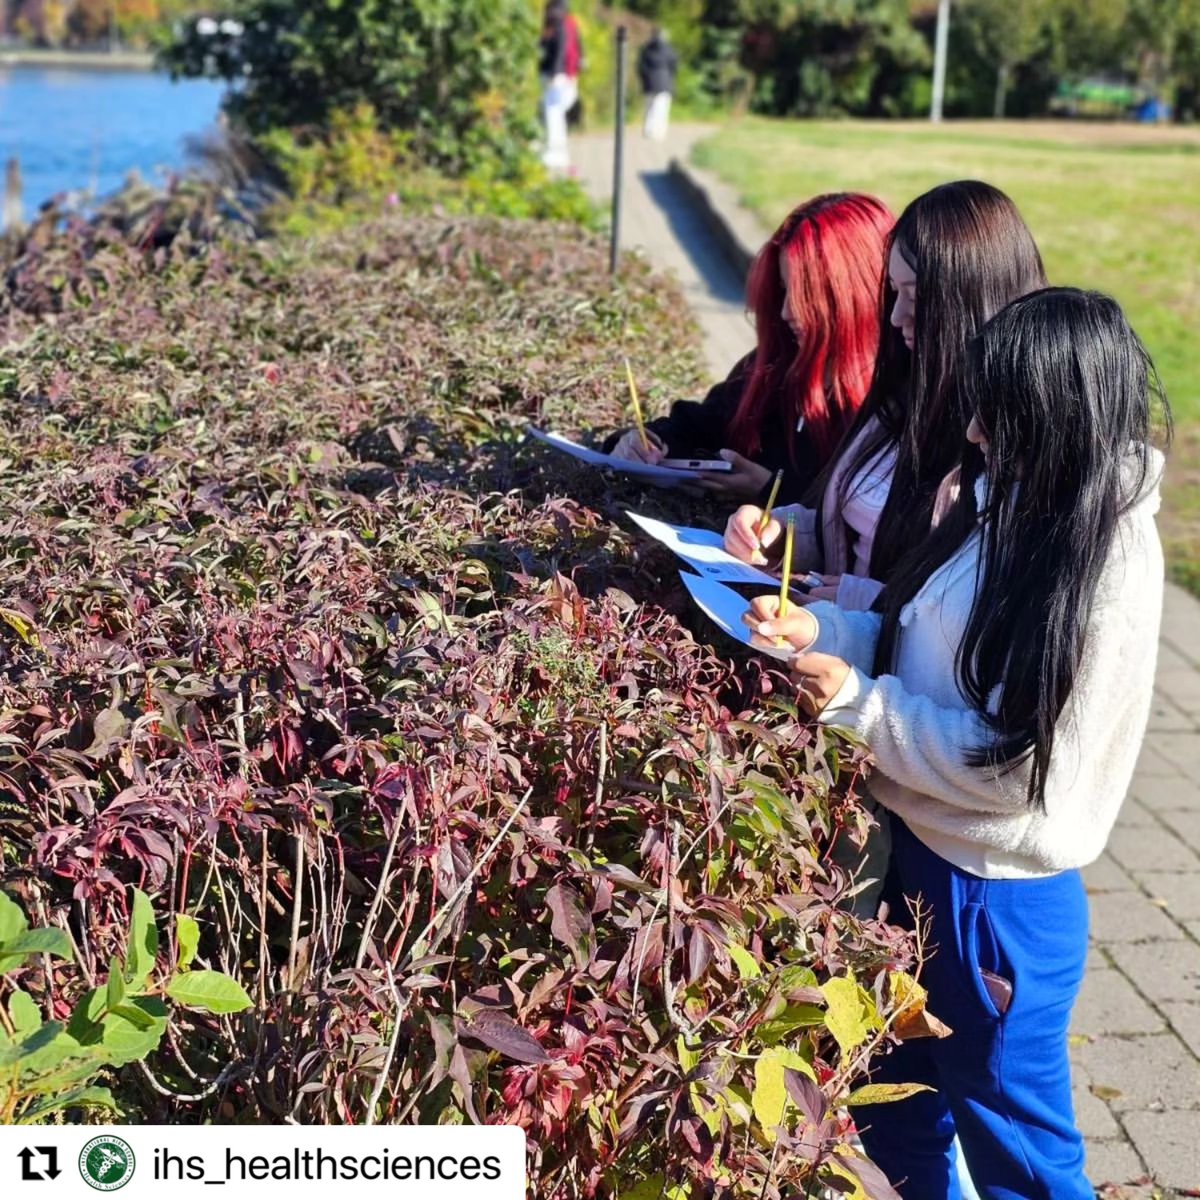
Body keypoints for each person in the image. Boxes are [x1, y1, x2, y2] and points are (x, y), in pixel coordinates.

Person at [743, 288, 1171, 1200]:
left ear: (1055, 412)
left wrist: (857, 705)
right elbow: (926, 642)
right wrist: (825, 632)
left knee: (1023, 1163)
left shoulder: (1100, 561)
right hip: (925, 863)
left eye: (994, 414)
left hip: (992, 904)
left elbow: (1011, 766)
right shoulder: (1010, 498)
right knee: (898, 1116)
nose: (972, 434)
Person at [724, 181, 1047, 609]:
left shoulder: (1012, 449)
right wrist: (782, 535)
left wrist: (867, 603)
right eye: (894, 292)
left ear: (972, 300)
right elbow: (850, 527)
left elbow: (971, 613)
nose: (896, 316)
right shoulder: (902, 391)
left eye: (916, 295)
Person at [606, 193, 894, 506]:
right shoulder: (774, 365)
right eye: (784, 291)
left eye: (806, 296)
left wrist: (771, 491)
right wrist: (641, 443)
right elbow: (700, 425)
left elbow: (879, 519)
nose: (786, 312)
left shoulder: (897, 402)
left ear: (856, 293)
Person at [539, 1, 583, 172]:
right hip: (567, 76)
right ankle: (559, 152)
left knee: (553, 114)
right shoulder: (569, 24)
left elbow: (560, 50)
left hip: (558, 77)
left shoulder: (559, 25)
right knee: (556, 115)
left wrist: (556, 73)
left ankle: (555, 153)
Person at [637, 27, 678, 141]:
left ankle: (648, 130)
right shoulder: (669, 50)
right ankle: (659, 133)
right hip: (665, 83)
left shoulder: (646, 50)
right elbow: (674, 67)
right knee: (661, 109)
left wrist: (644, 80)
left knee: (649, 108)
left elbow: (641, 68)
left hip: (649, 84)